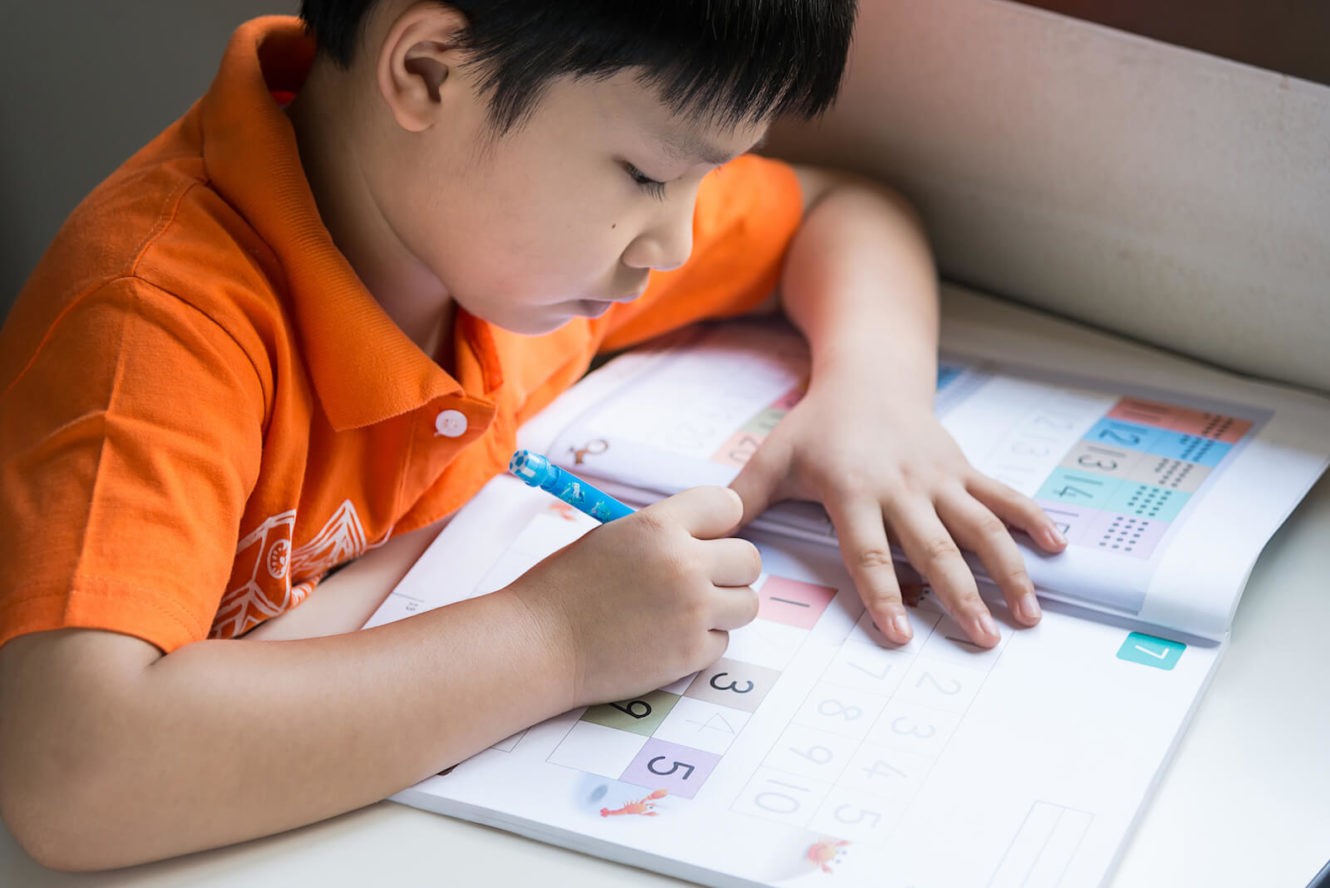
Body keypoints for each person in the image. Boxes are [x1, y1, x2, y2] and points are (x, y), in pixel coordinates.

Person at [0, 0, 1066, 870]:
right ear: (427, 71)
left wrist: (872, 396)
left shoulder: (495, 236)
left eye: (707, 176)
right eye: (648, 177)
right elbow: (76, 775)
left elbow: (844, 213)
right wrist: (555, 641)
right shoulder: (157, 315)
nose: (675, 241)